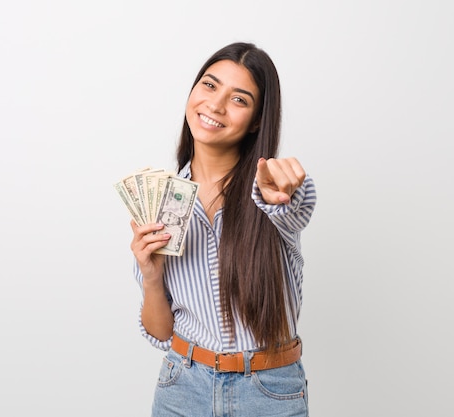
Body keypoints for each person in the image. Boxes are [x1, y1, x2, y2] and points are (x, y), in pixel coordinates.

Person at [129, 41, 317, 417]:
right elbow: (162, 333)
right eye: (210, 85)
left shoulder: (271, 192)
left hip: (269, 391)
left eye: (239, 99)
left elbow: (296, 204)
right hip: (182, 387)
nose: (215, 105)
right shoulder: (159, 200)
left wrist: (285, 191)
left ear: (258, 120)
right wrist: (150, 277)